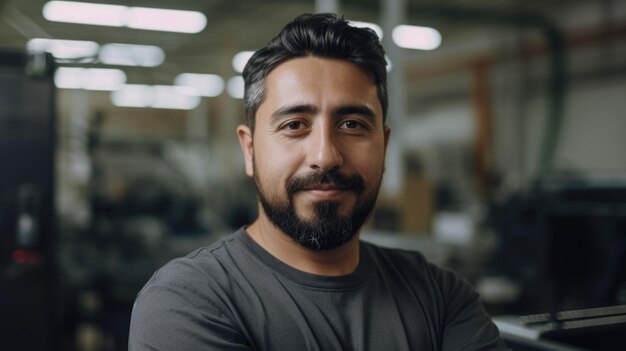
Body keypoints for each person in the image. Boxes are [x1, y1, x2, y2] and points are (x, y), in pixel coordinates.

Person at [129, 13, 508, 350]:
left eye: (352, 125)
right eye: (295, 125)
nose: (325, 155)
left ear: (385, 146)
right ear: (249, 150)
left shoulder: (441, 297)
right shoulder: (188, 302)